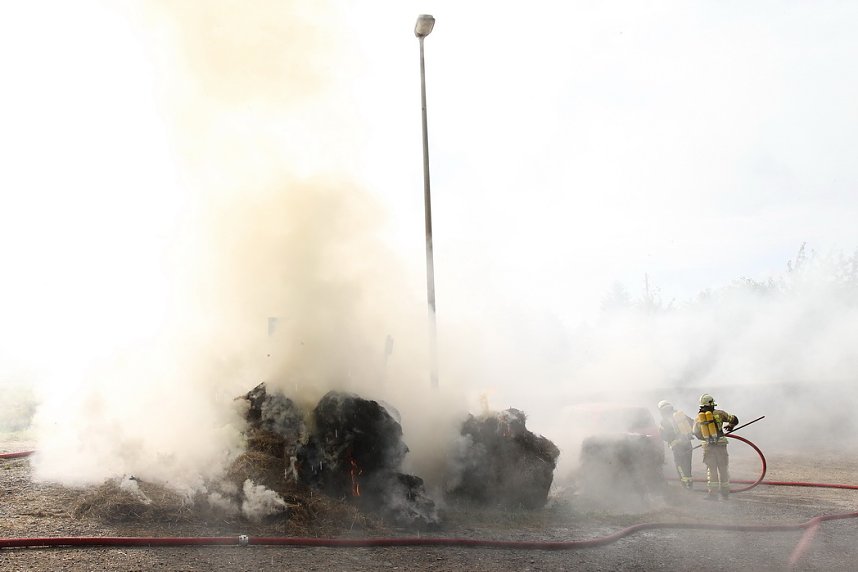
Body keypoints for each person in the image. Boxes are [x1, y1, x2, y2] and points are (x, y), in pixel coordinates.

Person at [692, 393, 739, 500]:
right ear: (712, 404)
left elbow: (695, 432)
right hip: (721, 445)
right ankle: (725, 492)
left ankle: (713, 494)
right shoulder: (719, 414)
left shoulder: (698, 418)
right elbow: (735, 419)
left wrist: (705, 438)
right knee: (723, 468)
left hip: (708, 447)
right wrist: (730, 426)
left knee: (711, 469)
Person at [657, 400, 695, 490]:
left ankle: (685, 484)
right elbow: (693, 423)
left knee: (679, 465)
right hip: (687, 444)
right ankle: (690, 482)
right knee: (687, 463)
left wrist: (671, 439)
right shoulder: (681, 415)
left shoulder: (663, 421)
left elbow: (663, 435)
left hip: (677, 446)